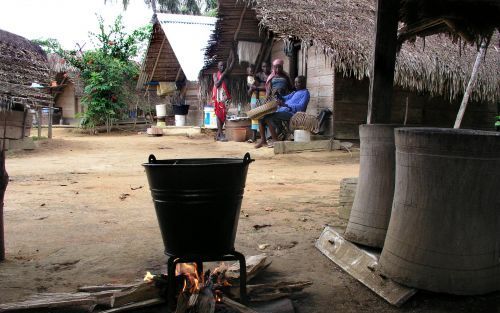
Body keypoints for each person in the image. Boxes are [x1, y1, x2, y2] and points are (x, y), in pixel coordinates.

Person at [255, 76, 310, 148]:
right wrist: (278, 95)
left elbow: (301, 107)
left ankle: (275, 140)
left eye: (298, 82)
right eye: (295, 82)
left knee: (269, 117)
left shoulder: (305, 93)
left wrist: (286, 105)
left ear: (304, 83)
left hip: (293, 114)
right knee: (261, 118)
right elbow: (284, 98)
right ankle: (263, 140)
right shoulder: (294, 93)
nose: (296, 84)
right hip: (283, 110)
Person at [212, 49, 235, 141]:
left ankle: (218, 134)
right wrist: (224, 74)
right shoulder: (215, 74)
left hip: (226, 97)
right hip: (218, 96)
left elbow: (232, 64)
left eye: (224, 65)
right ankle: (221, 134)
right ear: (218, 67)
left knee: (223, 114)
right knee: (218, 114)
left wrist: (234, 54)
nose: (223, 67)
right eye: (221, 65)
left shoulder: (227, 74)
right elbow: (217, 84)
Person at [247, 63, 271, 142]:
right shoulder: (256, 76)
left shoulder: (271, 75)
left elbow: (268, 88)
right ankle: (254, 137)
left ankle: (266, 137)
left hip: (265, 98)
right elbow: (250, 89)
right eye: (263, 66)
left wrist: (256, 88)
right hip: (255, 97)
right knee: (254, 116)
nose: (265, 68)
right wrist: (253, 88)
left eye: (267, 66)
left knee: (265, 116)